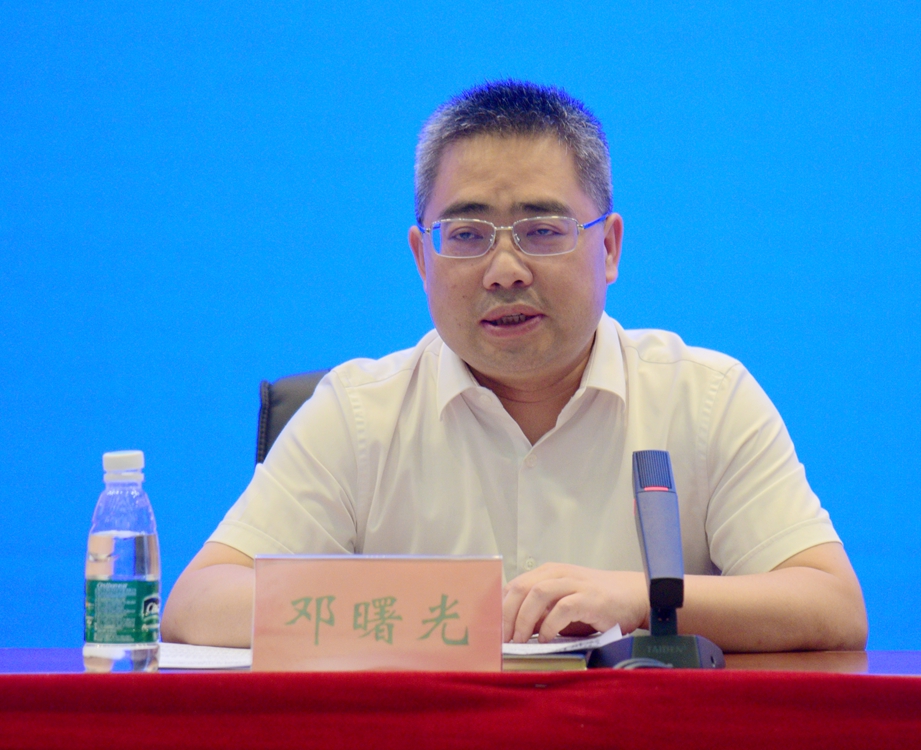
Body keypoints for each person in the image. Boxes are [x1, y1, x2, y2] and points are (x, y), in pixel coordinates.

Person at [162, 80, 867, 652]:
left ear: (609, 248)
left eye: (541, 231)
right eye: (467, 234)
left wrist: (639, 598)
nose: (504, 269)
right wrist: (436, 617)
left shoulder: (705, 397)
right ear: (422, 259)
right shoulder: (359, 414)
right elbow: (200, 603)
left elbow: (830, 604)